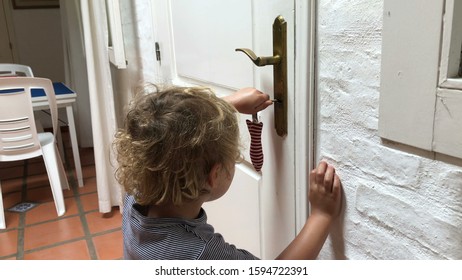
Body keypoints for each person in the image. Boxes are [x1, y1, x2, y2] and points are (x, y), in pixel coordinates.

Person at [113, 84, 342, 260]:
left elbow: (168, 134)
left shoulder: (135, 194)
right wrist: (321, 215)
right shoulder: (202, 254)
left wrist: (227, 104)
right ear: (215, 175)